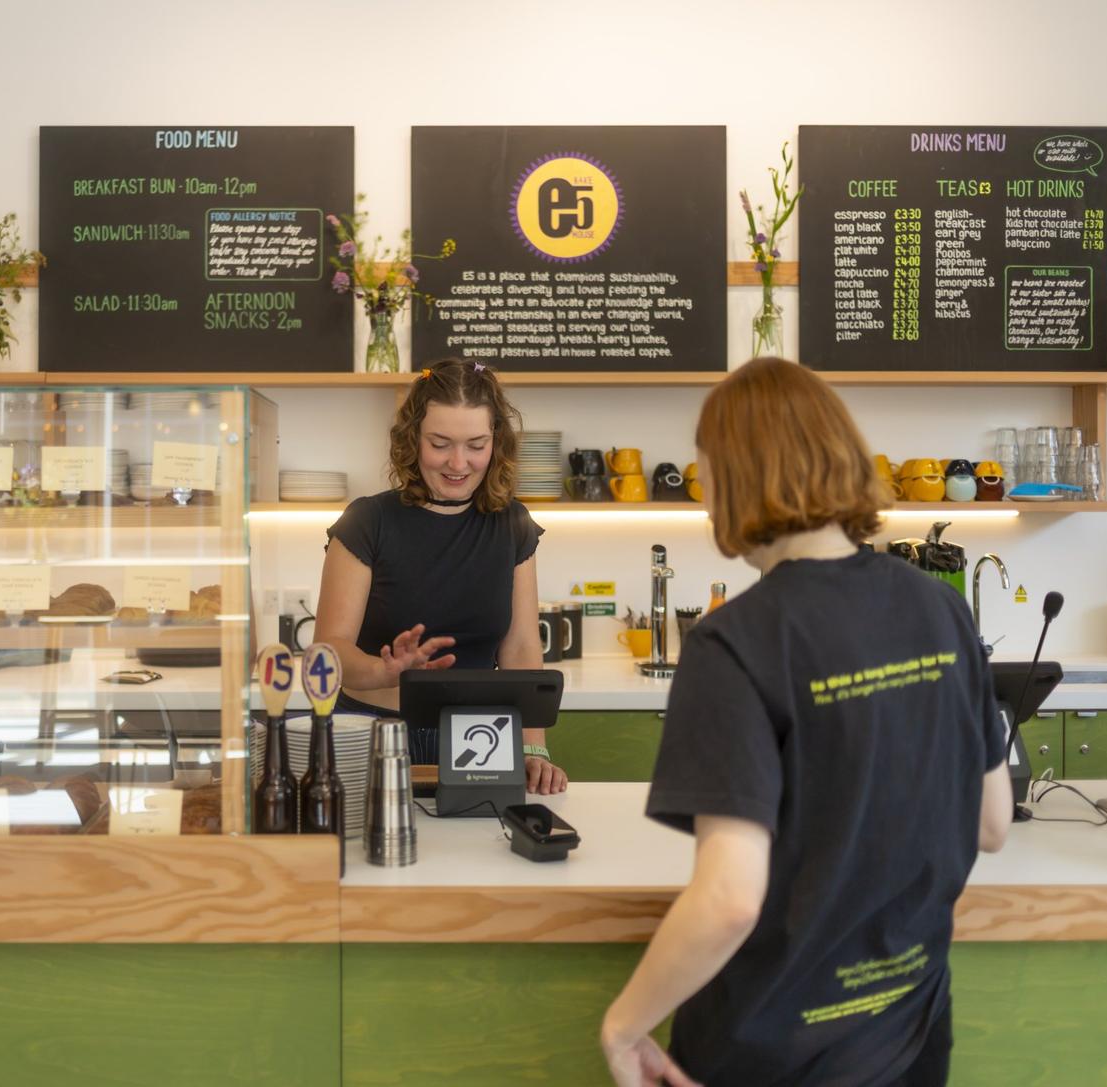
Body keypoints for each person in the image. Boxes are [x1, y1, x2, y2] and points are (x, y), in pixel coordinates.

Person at [600, 357, 1011, 1087]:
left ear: (735, 478)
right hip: (911, 1042)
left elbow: (728, 898)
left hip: (769, 1057)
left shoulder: (735, 642)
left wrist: (624, 1026)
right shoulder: (941, 606)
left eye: (708, 475)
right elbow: (991, 822)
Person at [313, 357, 567, 794]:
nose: (458, 462)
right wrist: (386, 670)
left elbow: (521, 647)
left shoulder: (512, 524)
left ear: (496, 442)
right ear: (412, 439)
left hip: (479, 738)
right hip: (374, 733)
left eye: (475, 444)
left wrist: (533, 748)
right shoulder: (368, 521)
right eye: (440, 443)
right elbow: (327, 651)